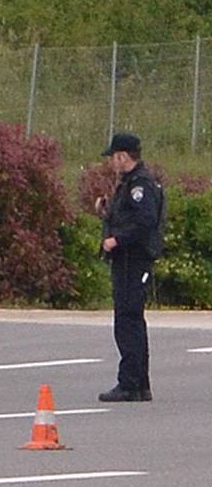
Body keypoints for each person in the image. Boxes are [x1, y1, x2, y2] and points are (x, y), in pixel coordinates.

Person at [96, 130, 164, 403]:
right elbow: (128, 217)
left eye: (114, 156)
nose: (112, 162)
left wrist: (116, 240)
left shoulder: (140, 185)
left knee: (127, 321)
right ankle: (139, 384)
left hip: (132, 259)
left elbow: (145, 221)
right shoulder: (129, 183)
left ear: (123, 156)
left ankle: (130, 383)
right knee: (131, 319)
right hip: (128, 260)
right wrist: (105, 212)